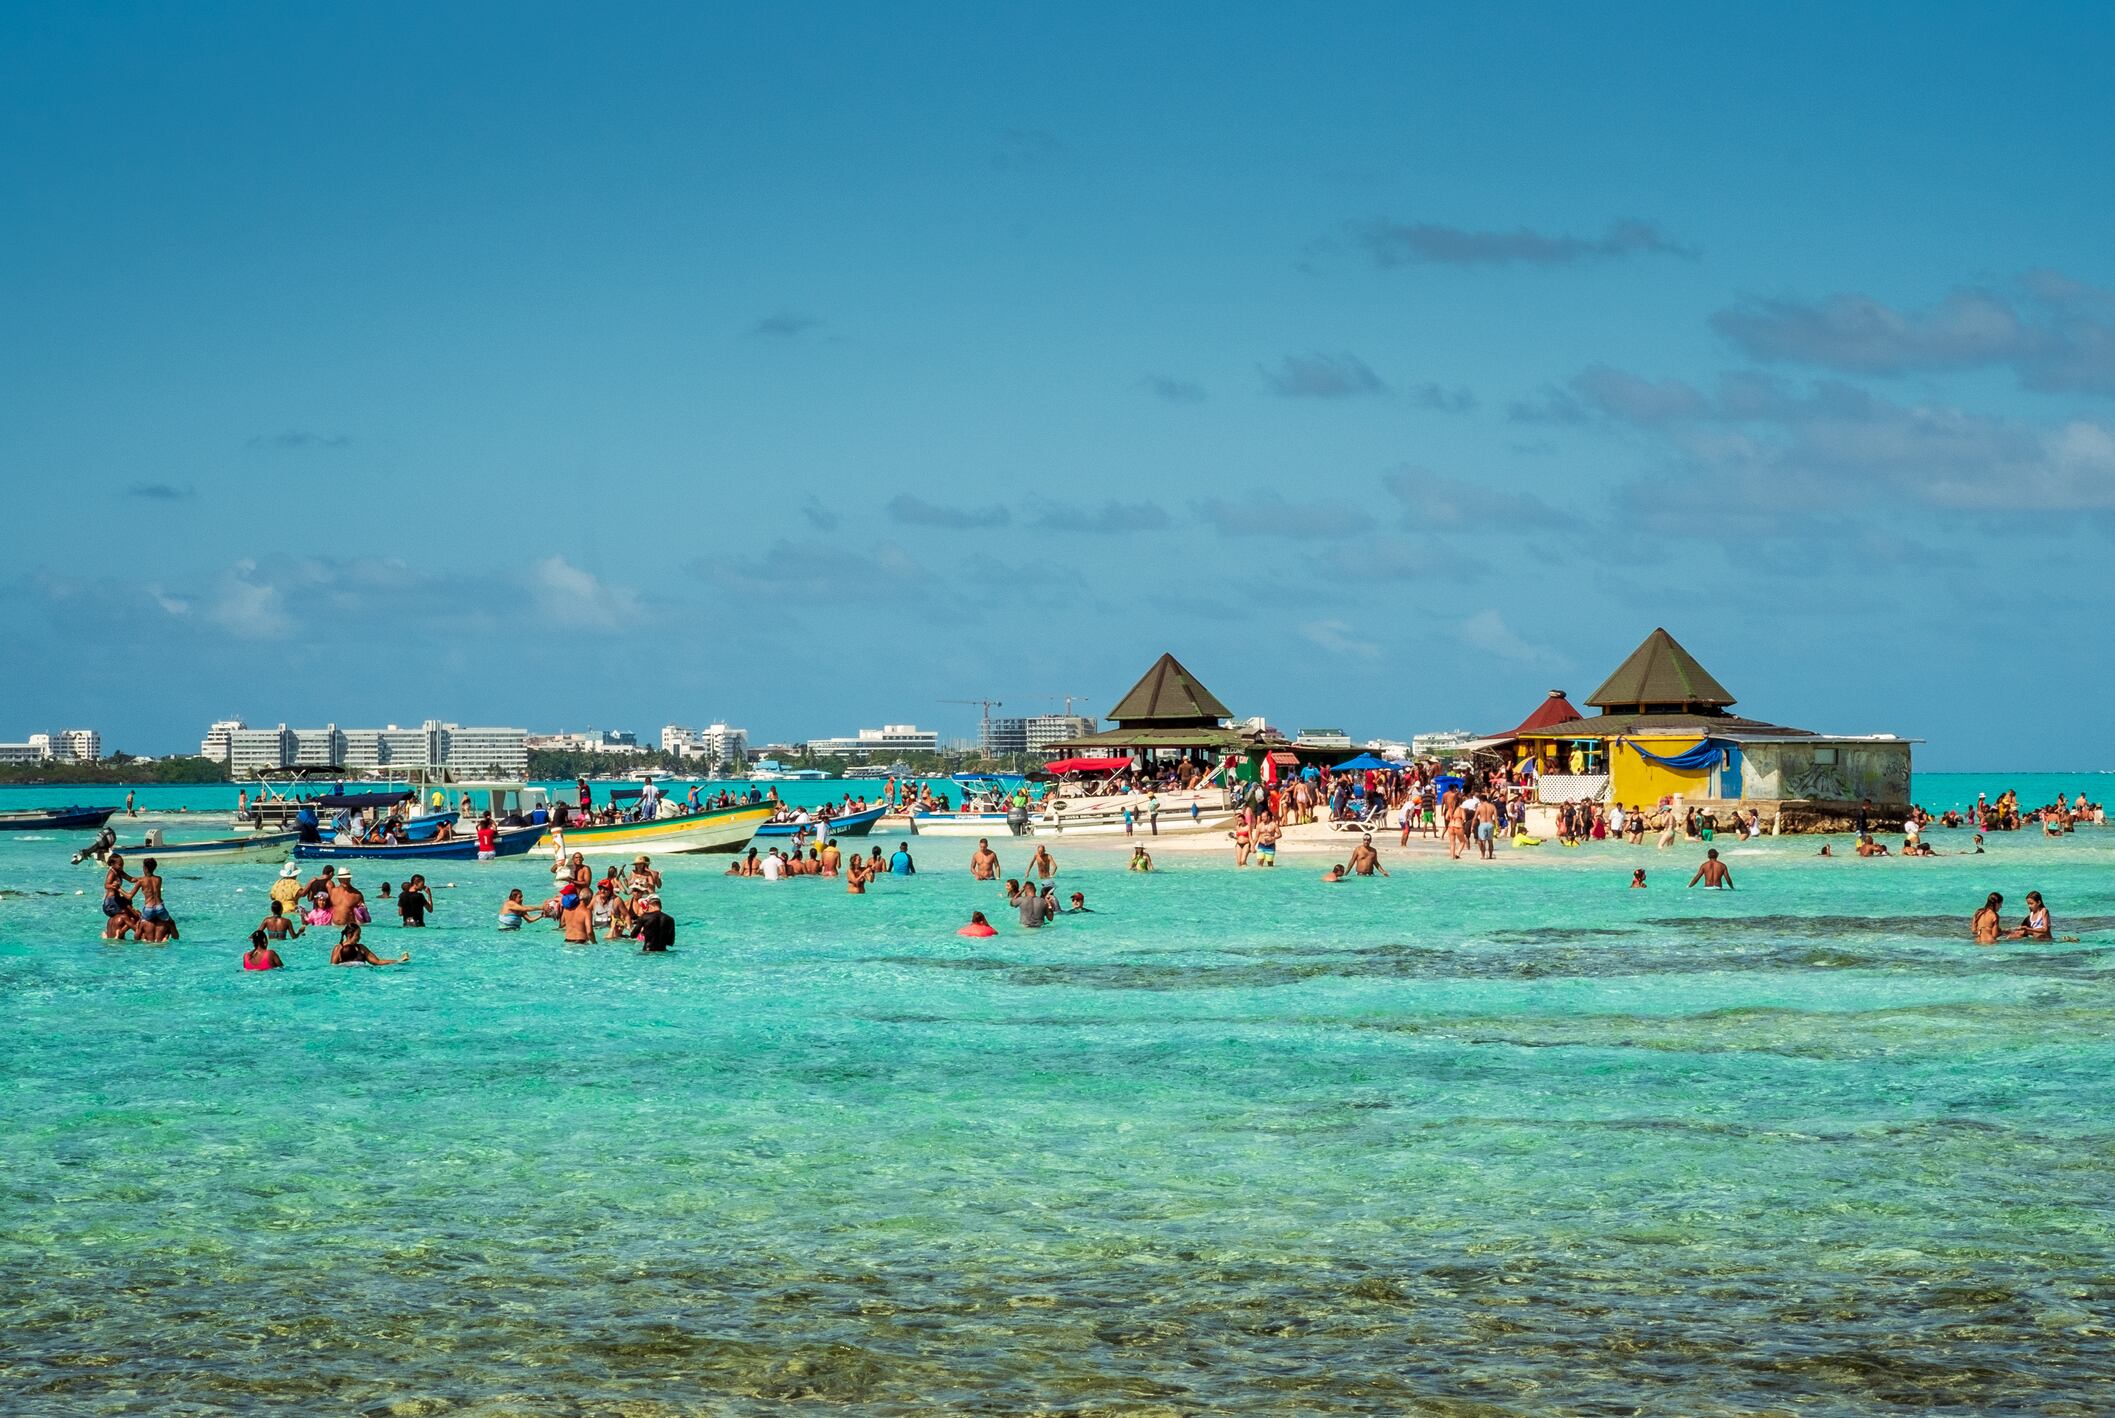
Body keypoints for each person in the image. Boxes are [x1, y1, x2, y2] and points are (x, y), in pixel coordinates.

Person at [131, 857, 178, 939]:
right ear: (154, 868)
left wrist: (118, 889)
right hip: (159, 907)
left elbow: (129, 896)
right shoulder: (159, 879)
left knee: (139, 925)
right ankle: (174, 937)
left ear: (144, 868)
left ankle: (139, 939)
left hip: (149, 909)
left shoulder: (141, 881)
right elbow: (149, 878)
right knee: (171, 923)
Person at [332, 922, 407, 966]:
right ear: (349, 935)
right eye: (357, 935)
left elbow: (377, 962)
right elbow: (333, 967)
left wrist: (398, 961)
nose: (359, 937)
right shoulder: (338, 948)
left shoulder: (361, 948)